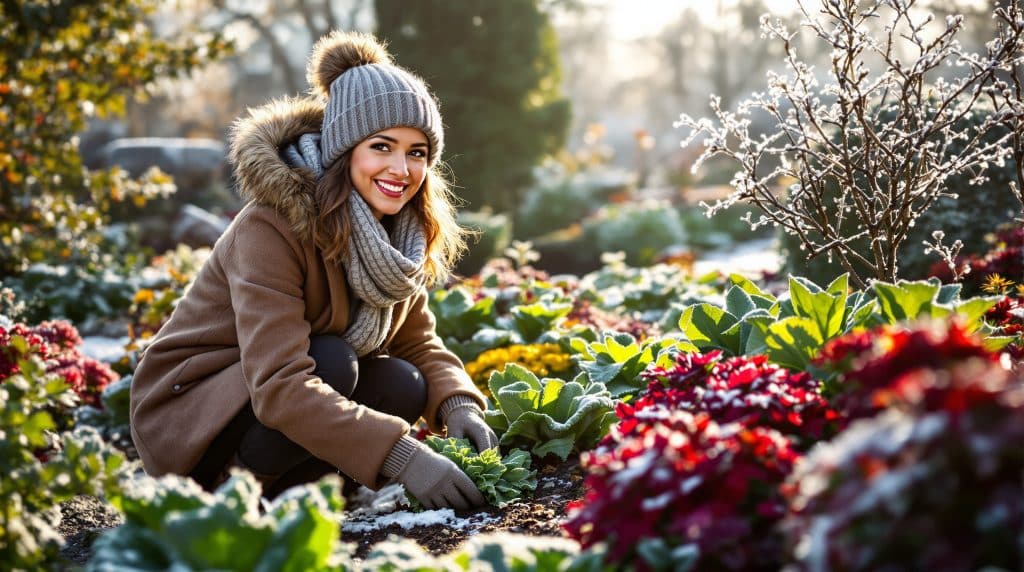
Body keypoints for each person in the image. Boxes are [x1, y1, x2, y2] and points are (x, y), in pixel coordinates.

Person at [129, 31, 498, 510]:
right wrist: (404, 458)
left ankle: (301, 494)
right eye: (382, 146)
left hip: (267, 401)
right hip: (192, 415)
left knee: (403, 382)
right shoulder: (271, 227)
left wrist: (458, 405)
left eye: (417, 152)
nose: (402, 168)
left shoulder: (395, 236)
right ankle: (228, 499)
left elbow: (417, 342)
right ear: (344, 151)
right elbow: (280, 386)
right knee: (332, 361)